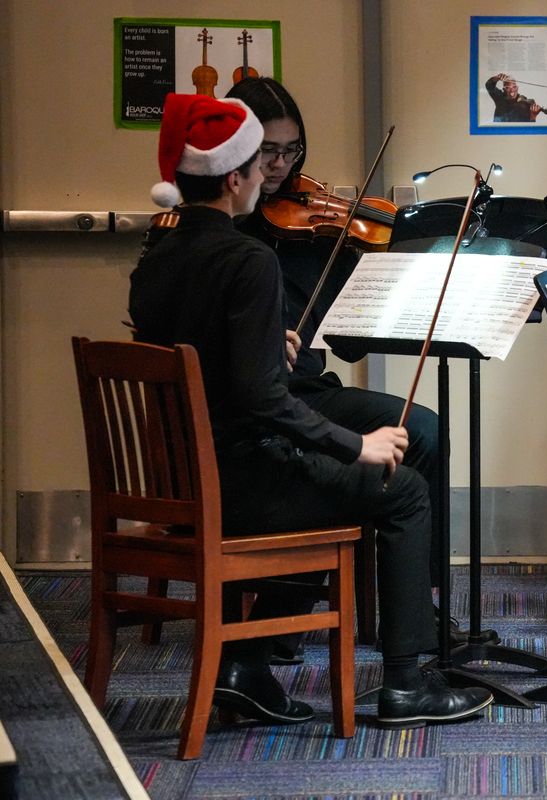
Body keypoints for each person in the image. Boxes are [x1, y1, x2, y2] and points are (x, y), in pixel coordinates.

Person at [130, 92, 493, 728]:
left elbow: (202, 355)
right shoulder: (250, 259)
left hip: (191, 471)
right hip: (243, 480)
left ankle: (244, 664)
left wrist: (267, 342)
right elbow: (263, 399)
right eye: (259, 160)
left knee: (381, 459)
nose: (273, 173)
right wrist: (358, 446)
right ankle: (407, 685)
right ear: (237, 176)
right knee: (402, 489)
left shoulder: (157, 256)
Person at [220, 77, 497, 657]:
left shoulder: (314, 226)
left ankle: (419, 605)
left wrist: (367, 263)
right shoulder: (221, 231)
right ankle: (283, 611)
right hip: (259, 404)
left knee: (421, 429)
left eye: (292, 150)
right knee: (327, 450)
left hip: (308, 392)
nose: (279, 166)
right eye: (267, 151)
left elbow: (347, 344)